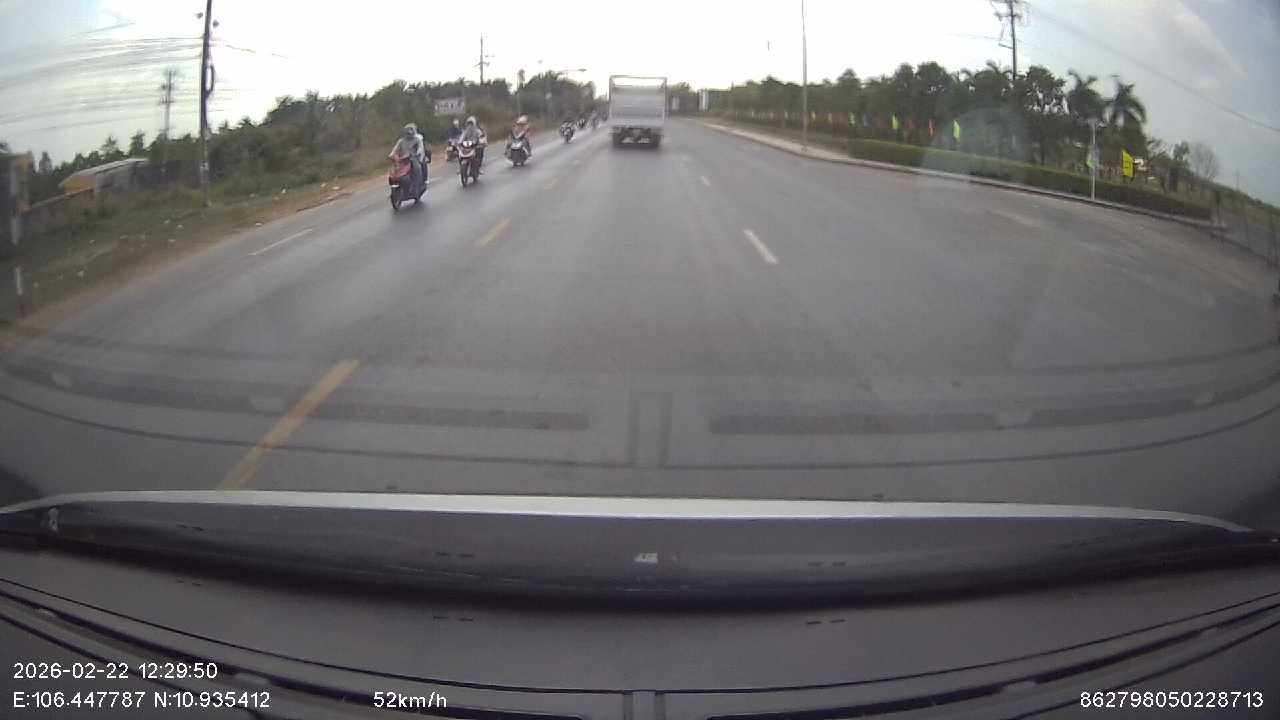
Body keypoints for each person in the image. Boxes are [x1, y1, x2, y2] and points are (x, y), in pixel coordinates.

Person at [388, 122, 428, 193]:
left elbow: (420, 149)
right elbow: (395, 149)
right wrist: (391, 155)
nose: (409, 133)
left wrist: (417, 153)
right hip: (403, 159)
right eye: (407, 131)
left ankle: (417, 186)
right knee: (394, 170)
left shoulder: (417, 140)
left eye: (410, 130)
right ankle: (396, 186)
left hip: (414, 158)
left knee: (417, 168)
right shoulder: (401, 141)